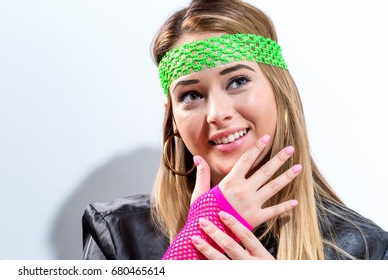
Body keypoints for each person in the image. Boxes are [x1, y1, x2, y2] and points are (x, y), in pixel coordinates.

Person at [82, 0, 388, 260]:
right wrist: (188, 253)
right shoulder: (116, 232)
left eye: (237, 81)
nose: (217, 114)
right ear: (172, 118)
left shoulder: (364, 250)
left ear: (281, 93)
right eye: (192, 95)